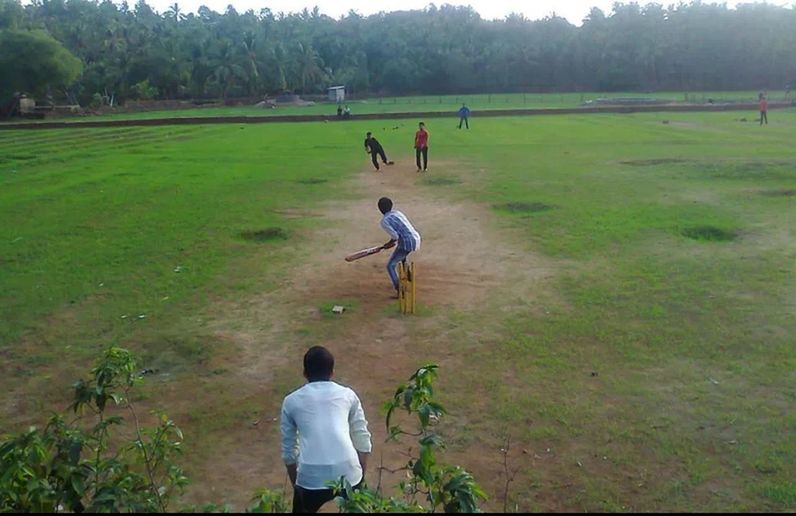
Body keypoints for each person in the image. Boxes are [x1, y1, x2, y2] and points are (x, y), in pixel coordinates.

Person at [281, 346, 372, 513]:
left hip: (310, 478)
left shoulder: (291, 401)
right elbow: (362, 440)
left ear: (305, 373)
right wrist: (358, 477)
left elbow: (289, 452)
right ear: (332, 372)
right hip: (348, 474)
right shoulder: (348, 395)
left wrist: (298, 485)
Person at [378, 197, 421, 296]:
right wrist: (390, 243)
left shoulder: (384, 221)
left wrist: (388, 244)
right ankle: (409, 274)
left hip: (407, 243)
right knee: (401, 255)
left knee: (390, 266)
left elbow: (395, 236)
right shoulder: (397, 213)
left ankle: (400, 290)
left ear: (380, 209)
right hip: (415, 238)